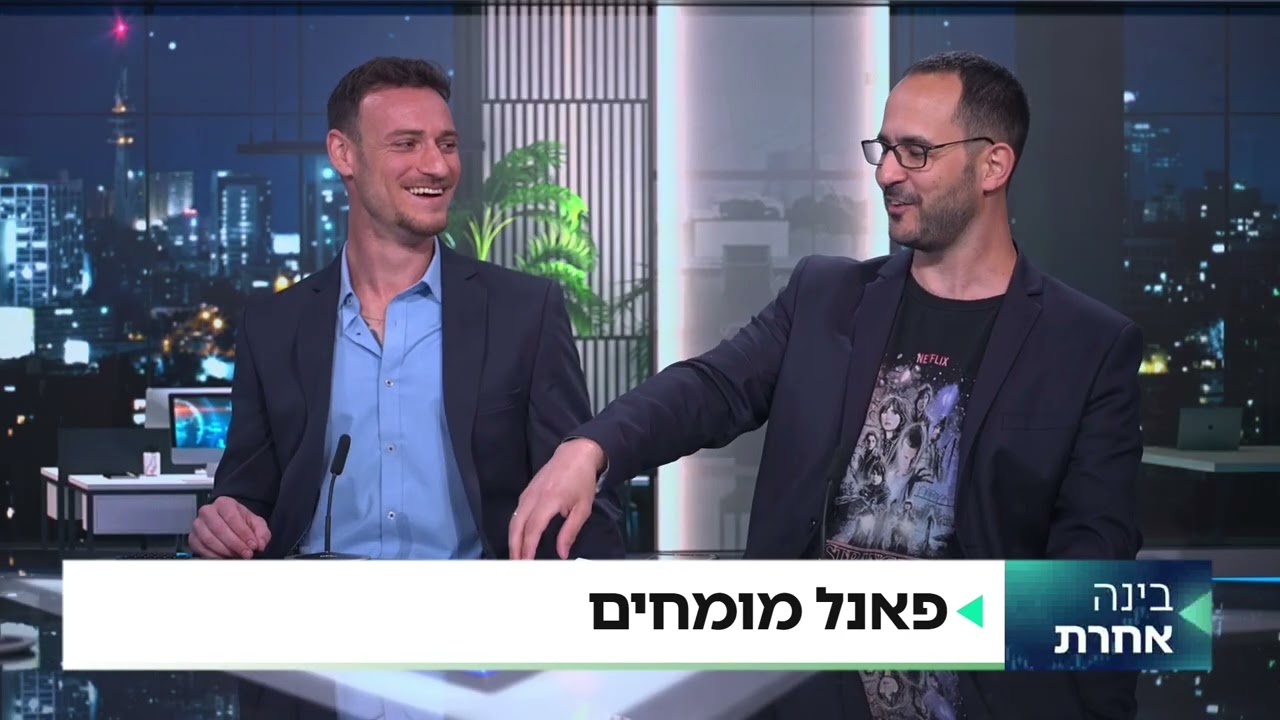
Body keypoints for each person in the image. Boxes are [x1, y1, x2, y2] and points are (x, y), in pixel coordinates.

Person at [509, 51, 1143, 719]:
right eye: (884, 149)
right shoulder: (825, 297)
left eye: (916, 152)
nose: (887, 172)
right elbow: (711, 387)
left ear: (993, 166)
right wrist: (592, 448)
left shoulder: (1088, 345)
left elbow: (1096, 579)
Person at [188, 56, 624, 563]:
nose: (437, 166)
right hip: (317, 605)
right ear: (343, 154)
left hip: (475, 607)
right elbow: (245, 497)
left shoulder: (524, 312)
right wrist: (223, 521)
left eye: (447, 144)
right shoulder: (272, 327)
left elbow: (578, 493)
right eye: (406, 143)